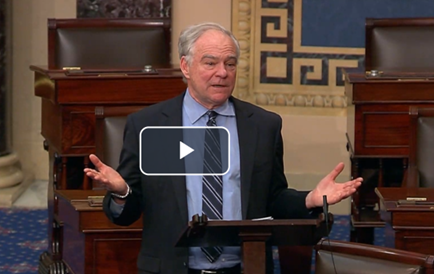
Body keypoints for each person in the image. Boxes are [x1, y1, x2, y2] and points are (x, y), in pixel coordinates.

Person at [84, 22, 362, 274]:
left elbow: (272, 199)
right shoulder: (151, 125)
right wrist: (122, 193)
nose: (222, 73)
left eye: (230, 64)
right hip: (171, 268)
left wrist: (310, 199)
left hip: (245, 267)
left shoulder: (262, 126)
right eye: (210, 63)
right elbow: (126, 214)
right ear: (185, 66)